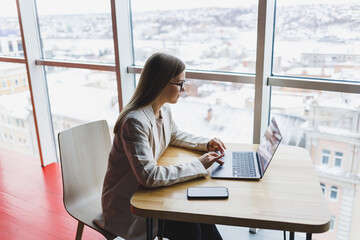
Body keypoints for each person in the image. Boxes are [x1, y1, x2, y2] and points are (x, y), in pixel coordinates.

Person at [94, 52, 226, 240]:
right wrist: (199, 164)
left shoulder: (163, 109)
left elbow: (174, 134)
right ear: (161, 82)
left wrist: (205, 144)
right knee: (191, 230)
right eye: (180, 83)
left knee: (201, 217)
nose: (184, 89)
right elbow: (149, 176)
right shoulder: (134, 122)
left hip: (146, 194)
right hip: (129, 205)